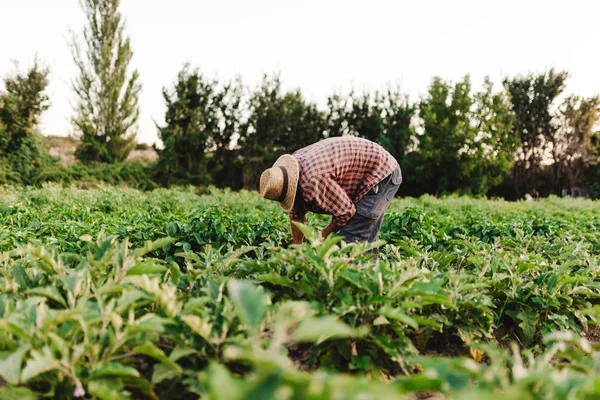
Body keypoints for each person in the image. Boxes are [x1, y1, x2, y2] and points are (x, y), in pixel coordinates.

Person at [259, 137, 402, 249]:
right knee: (359, 238)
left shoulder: (314, 180)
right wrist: (298, 249)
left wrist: (322, 236)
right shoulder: (293, 173)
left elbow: (345, 213)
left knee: (353, 239)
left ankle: (362, 281)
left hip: (381, 172)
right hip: (364, 171)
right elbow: (297, 217)